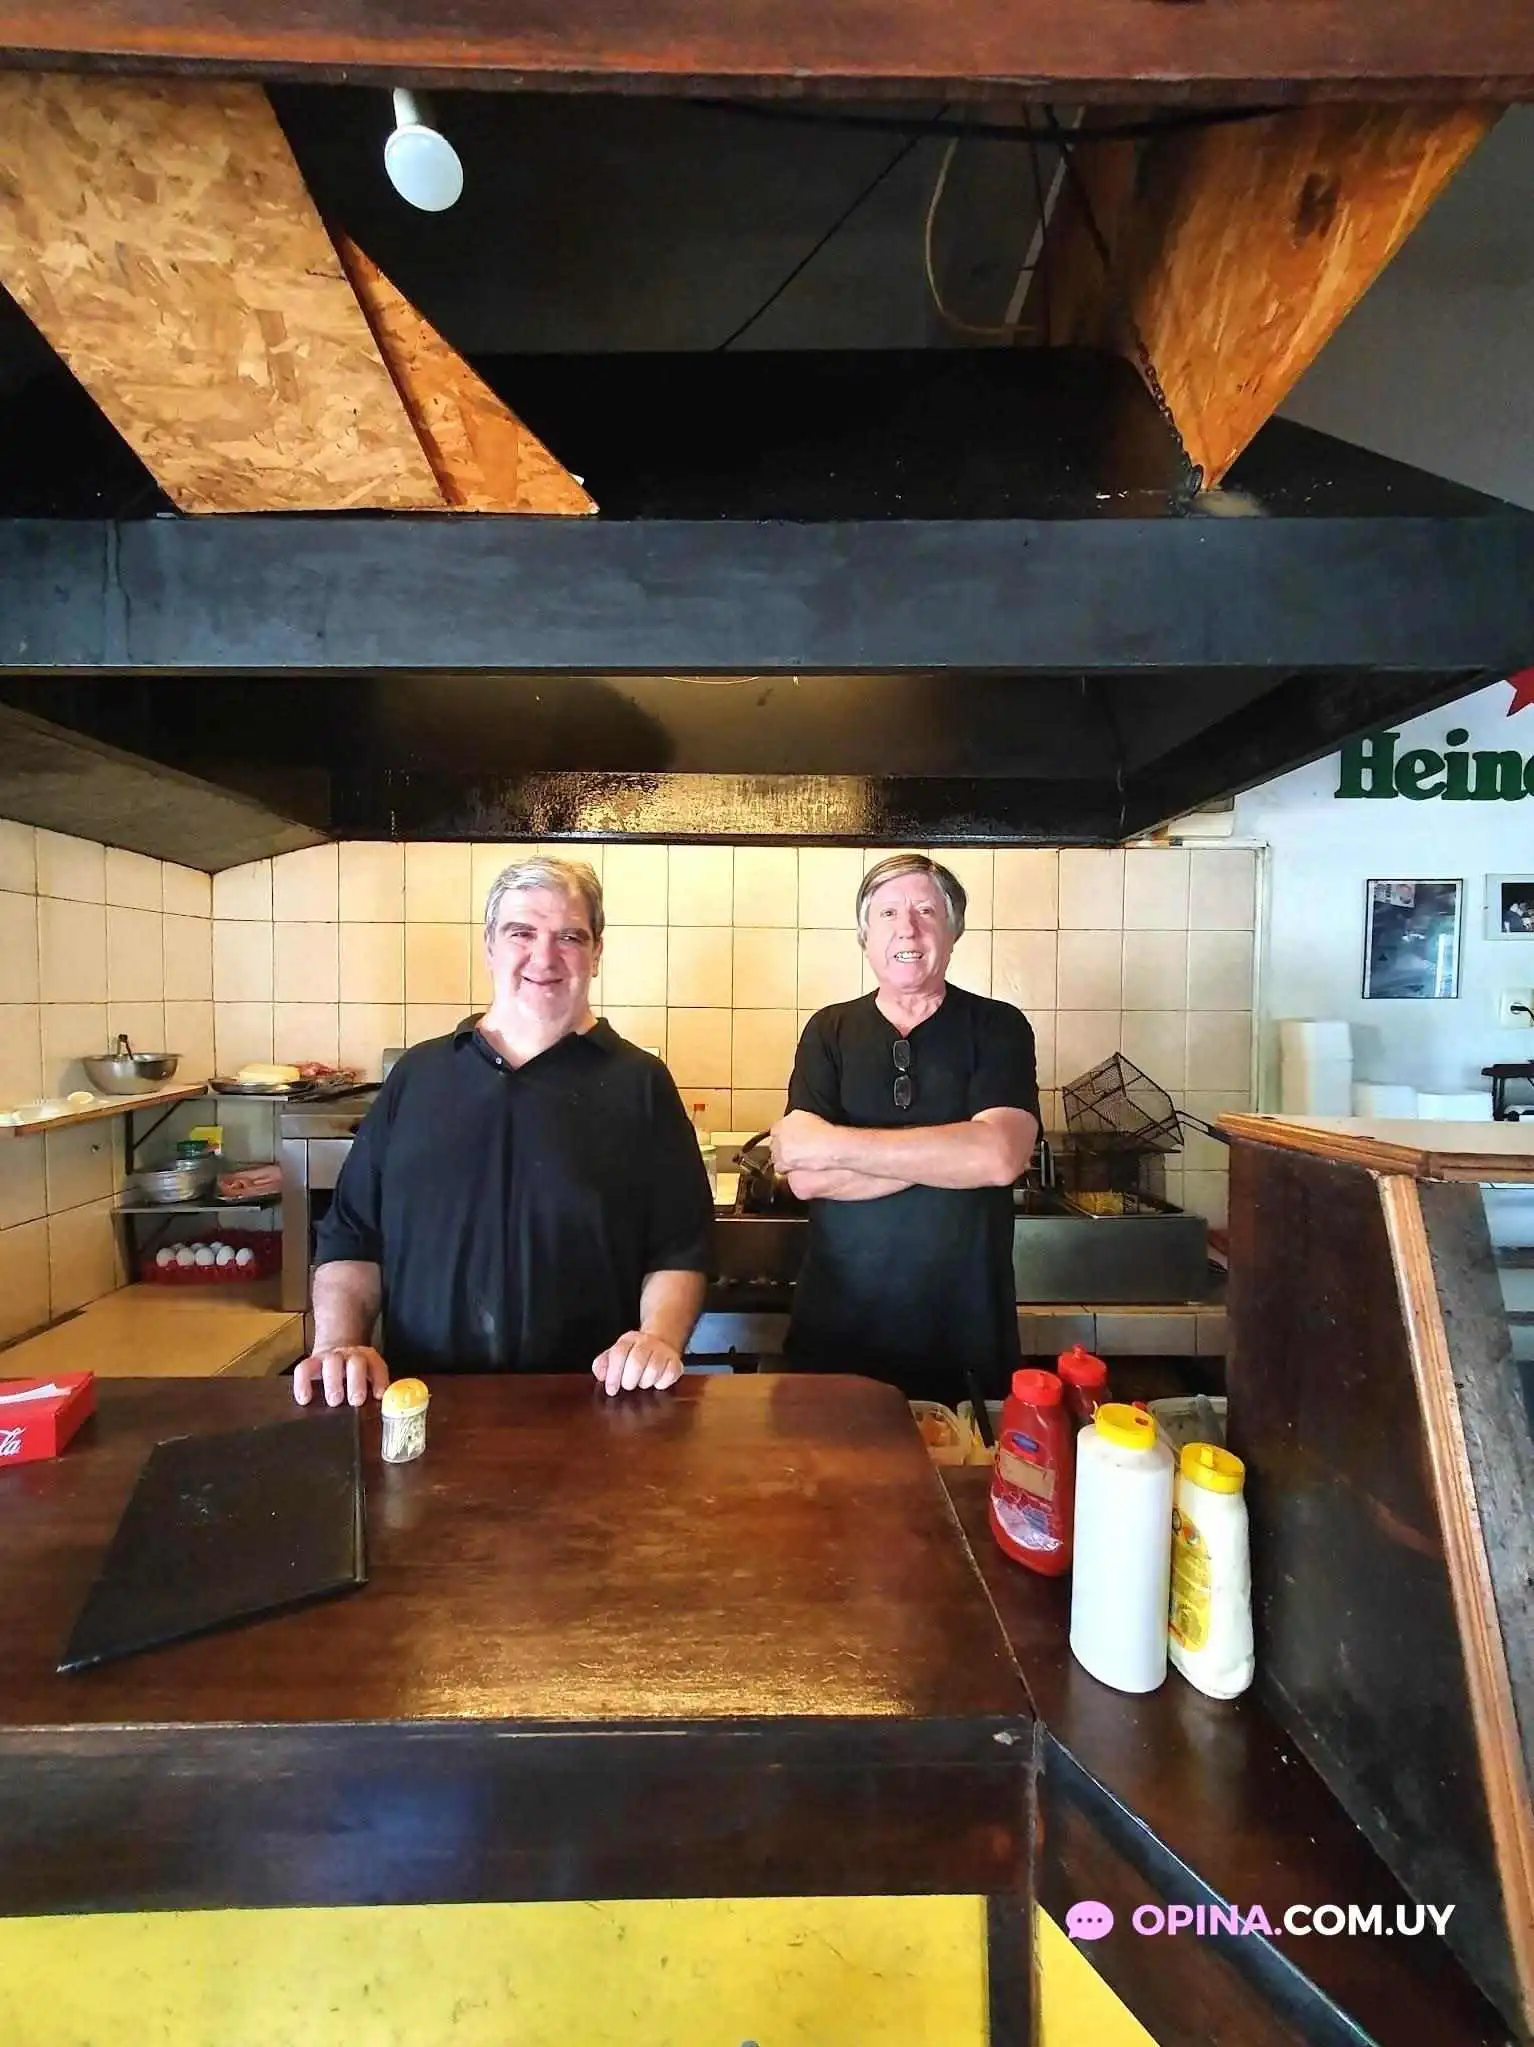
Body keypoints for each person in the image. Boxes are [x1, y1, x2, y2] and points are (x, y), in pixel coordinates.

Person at [293, 856, 713, 1407]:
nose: (545, 957)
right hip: (422, 1402)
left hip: (593, 1405)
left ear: (596, 953)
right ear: (489, 944)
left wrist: (657, 1338)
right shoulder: (417, 1077)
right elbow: (353, 1234)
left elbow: (680, 1247)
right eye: (522, 933)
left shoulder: (641, 1083)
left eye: (570, 936)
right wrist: (339, 1343)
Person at [770, 853, 1039, 1399]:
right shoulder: (828, 1030)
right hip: (838, 1331)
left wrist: (835, 1145)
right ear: (865, 936)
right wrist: (950, 1153)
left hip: (964, 1332)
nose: (907, 928)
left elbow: (997, 1158)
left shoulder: (998, 1027)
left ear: (952, 931)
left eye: (926, 911)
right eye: (888, 913)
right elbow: (805, 1176)